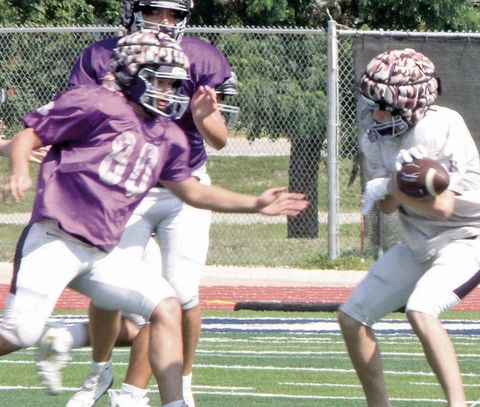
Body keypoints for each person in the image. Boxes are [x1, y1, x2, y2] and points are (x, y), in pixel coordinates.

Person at [0, 30, 307, 407]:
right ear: (134, 74)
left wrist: (254, 204)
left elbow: (193, 191)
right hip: (56, 239)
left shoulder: (166, 135)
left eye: (172, 82)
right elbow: (31, 135)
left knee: (166, 305)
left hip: (103, 251)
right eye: (161, 80)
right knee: (20, 333)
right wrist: (19, 170)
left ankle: (174, 403)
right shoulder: (95, 103)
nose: (168, 91)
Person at [37, 1, 239, 406]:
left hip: (184, 187)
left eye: (172, 14)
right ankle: (99, 371)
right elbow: (77, 114)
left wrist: (202, 118)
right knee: (112, 292)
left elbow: (220, 137)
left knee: (179, 295)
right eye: (154, 10)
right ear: (132, 11)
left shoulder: (199, 56)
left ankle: (160, 386)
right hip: (126, 189)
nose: (164, 22)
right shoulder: (101, 55)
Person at [337, 48, 480, 407]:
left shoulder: (444, 126)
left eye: (383, 104)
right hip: (419, 243)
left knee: (421, 309)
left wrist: (395, 185)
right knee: (352, 318)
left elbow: (444, 207)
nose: (376, 112)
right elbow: (386, 208)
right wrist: (387, 188)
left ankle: (458, 404)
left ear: (410, 103)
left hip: (467, 240)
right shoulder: (376, 137)